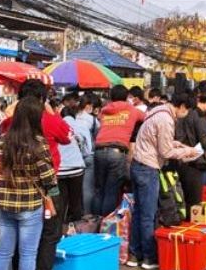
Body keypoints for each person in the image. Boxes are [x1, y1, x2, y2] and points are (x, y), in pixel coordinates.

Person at [0, 96, 57, 270]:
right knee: (28, 255)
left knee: (4, 252)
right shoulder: (38, 143)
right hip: (29, 205)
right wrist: (51, 190)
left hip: (6, 204)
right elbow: (48, 177)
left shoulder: (3, 140)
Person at [11, 80, 71, 270]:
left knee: (19, 236)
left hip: (16, 184)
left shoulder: (9, 122)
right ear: (42, 99)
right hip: (47, 184)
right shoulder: (49, 121)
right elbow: (68, 136)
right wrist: (51, 111)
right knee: (50, 233)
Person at [128, 94, 198, 269]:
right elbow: (165, 152)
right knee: (148, 215)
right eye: (187, 110)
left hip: (137, 165)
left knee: (138, 213)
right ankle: (148, 257)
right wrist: (188, 153)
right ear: (182, 106)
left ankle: (134, 255)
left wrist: (178, 145)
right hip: (148, 168)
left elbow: (158, 140)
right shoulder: (166, 119)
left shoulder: (156, 112)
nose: (186, 113)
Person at [94, 84, 145, 216]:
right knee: (111, 190)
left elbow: (100, 119)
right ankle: (106, 225)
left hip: (99, 150)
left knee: (99, 190)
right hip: (117, 152)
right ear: (127, 96)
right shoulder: (132, 110)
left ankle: (95, 221)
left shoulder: (105, 110)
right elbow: (146, 117)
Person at [175, 91, 206, 216]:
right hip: (194, 162)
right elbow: (205, 142)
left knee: (183, 198)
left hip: (180, 159)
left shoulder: (186, 113)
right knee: (194, 202)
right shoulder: (199, 116)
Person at [55, 98, 89, 223]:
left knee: (61, 201)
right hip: (77, 168)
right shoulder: (81, 125)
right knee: (76, 201)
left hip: (60, 169)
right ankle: (76, 228)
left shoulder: (56, 125)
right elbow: (87, 150)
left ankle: (60, 229)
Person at [73, 96, 99, 216]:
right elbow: (98, 135)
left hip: (74, 158)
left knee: (75, 189)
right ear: (88, 106)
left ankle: (75, 213)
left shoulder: (73, 118)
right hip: (89, 156)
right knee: (88, 188)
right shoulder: (93, 120)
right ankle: (87, 215)